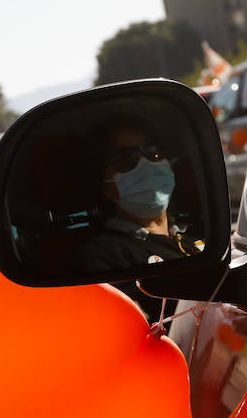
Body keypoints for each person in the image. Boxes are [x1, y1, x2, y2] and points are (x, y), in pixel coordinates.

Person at [74, 114, 203, 318]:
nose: (146, 165)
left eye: (153, 152)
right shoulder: (103, 255)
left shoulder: (198, 231)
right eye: (125, 159)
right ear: (104, 186)